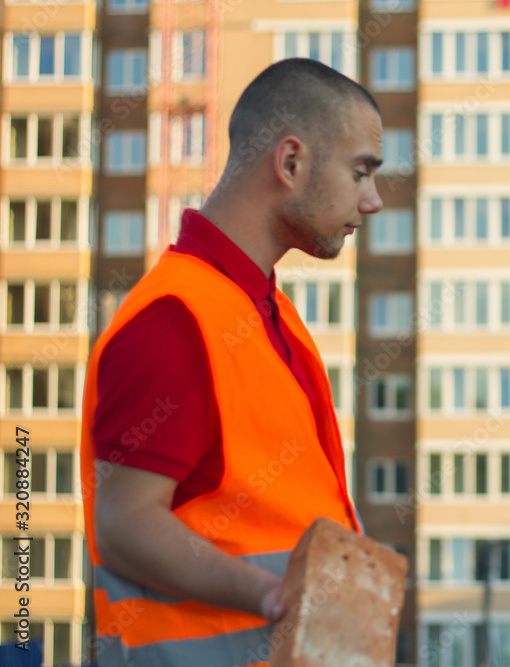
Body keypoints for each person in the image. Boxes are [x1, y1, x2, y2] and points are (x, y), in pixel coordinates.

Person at [80, 59, 384, 667]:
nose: (372, 201)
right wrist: (275, 596)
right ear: (291, 163)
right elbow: (125, 525)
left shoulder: (271, 314)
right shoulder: (174, 319)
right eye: (360, 172)